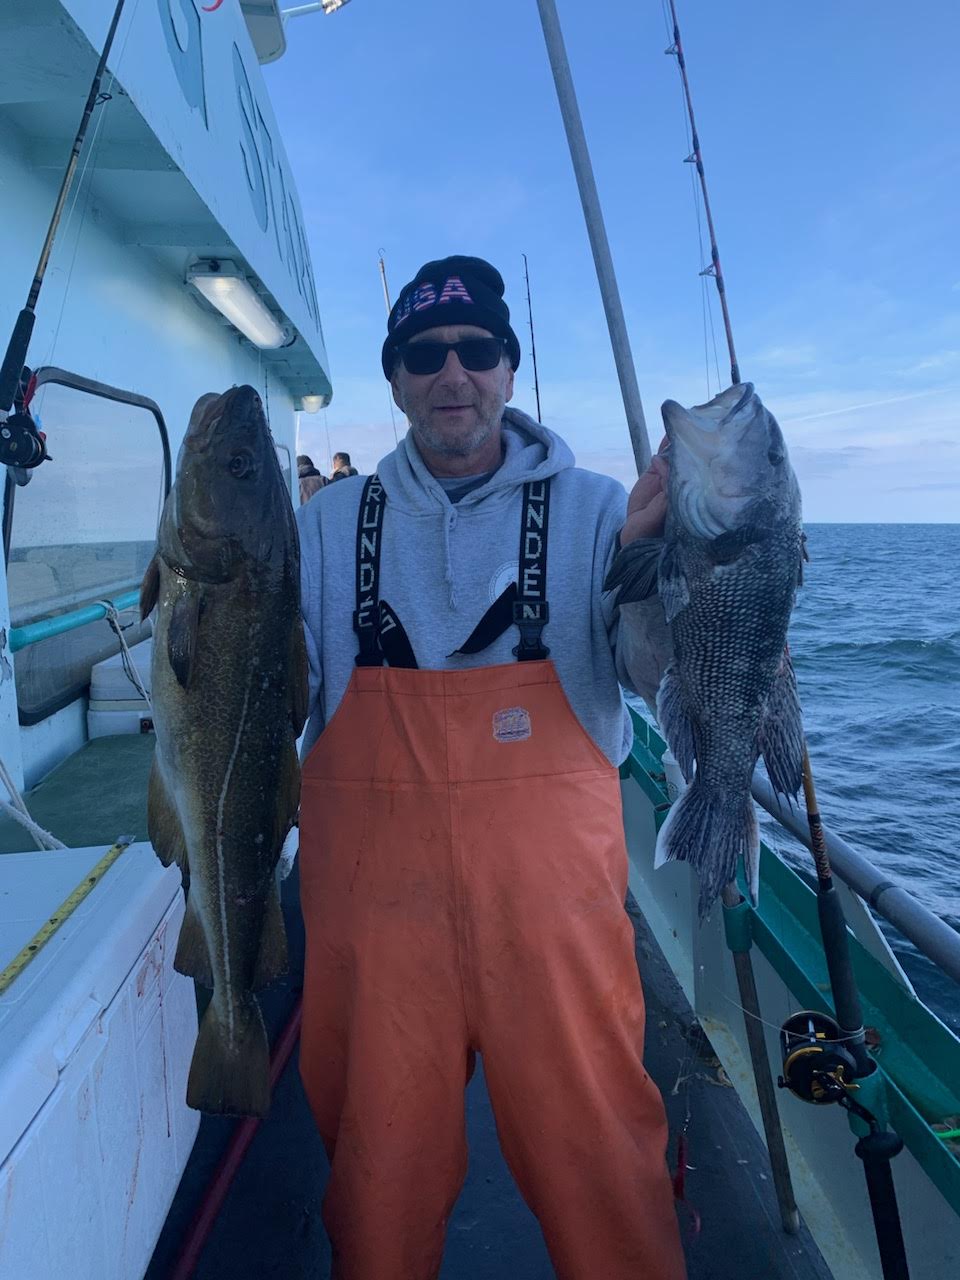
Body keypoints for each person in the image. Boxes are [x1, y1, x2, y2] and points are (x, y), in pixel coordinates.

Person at [294, 255, 685, 1280]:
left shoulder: (603, 508)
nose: (451, 374)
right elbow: (265, 687)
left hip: (553, 922)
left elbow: (650, 673)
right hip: (375, 932)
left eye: (475, 351)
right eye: (425, 356)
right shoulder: (327, 528)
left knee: (605, 1166)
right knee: (376, 1188)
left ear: (510, 369)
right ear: (394, 380)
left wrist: (667, 575)